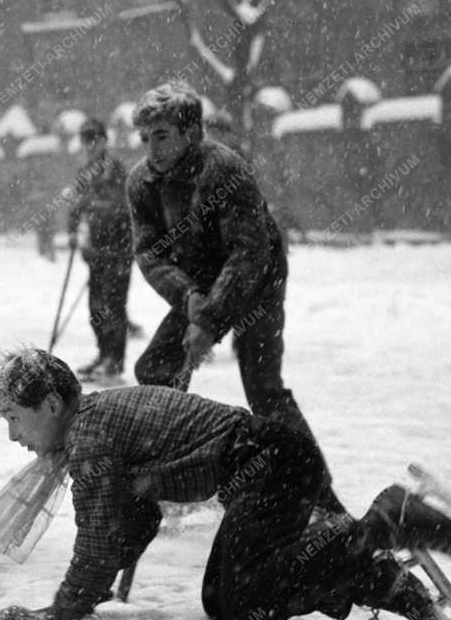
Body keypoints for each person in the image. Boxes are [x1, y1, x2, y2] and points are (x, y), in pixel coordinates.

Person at [0, 349, 451, 620]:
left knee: (237, 602)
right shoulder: (94, 421)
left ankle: (383, 522)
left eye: (13, 419)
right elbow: (132, 522)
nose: (14, 437)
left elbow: (96, 544)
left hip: (267, 465)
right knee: (227, 596)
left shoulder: (89, 440)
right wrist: (86, 598)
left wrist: (54, 617)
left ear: (50, 404)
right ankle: (385, 580)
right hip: (272, 459)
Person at [126, 80, 342, 514]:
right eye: (146, 138)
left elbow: (248, 254)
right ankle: (178, 480)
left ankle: (320, 496)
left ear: (190, 133)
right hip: (200, 282)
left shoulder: (223, 170)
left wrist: (208, 321)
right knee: (156, 369)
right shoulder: (142, 182)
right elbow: (149, 254)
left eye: (162, 135)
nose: (152, 148)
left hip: (257, 280)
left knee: (263, 389)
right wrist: (188, 299)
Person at [66, 117, 134, 383]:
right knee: (95, 307)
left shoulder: (116, 169)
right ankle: (103, 353)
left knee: (114, 306)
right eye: (85, 140)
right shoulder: (85, 171)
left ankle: (114, 359)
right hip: (96, 250)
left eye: (94, 139)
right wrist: (72, 230)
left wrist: (92, 204)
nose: (89, 145)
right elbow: (76, 204)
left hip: (119, 248)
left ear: (105, 140)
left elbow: (120, 205)